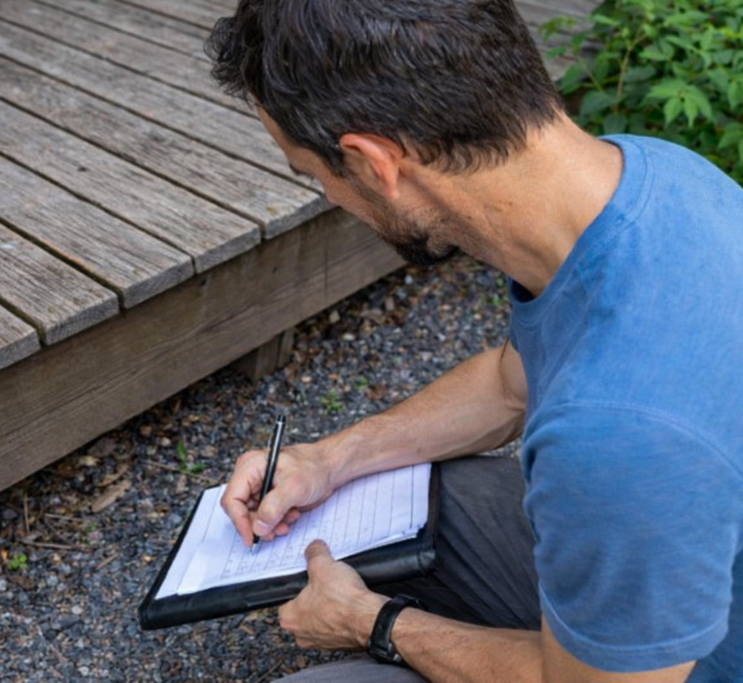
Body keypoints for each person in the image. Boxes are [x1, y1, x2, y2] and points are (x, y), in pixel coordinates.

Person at [207, 2, 743, 682]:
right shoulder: (651, 176)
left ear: (374, 162)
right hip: (685, 561)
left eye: (315, 175)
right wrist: (328, 460)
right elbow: (508, 384)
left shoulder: (613, 429)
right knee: (428, 497)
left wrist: (372, 622)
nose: (330, 197)